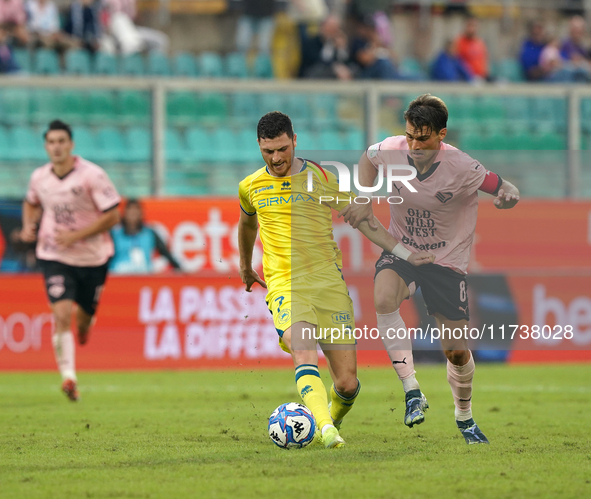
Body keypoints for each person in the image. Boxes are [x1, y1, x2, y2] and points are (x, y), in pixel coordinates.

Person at [238, 111, 433, 448]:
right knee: (303, 348)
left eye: (282, 148)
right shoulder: (250, 186)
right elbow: (247, 225)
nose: (276, 157)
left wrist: (406, 254)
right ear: (259, 146)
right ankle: (326, 430)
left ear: (294, 140)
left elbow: (363, 220)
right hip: (286, 284)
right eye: (268, 151)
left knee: (347, 384)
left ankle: (329, 416)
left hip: (328, 284)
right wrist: (245, 265)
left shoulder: (319, 178)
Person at [339, 94, 520, 444]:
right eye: (410, 135)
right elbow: (367, 158)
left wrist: (507, 196)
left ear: (441, 135)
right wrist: (363, 195)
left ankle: (464, 417)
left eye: (423, 138)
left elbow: (502, 186)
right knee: (383, 297)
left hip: (445, 262)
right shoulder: (393, 148)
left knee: (455, 351)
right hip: (404, 251)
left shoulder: (463, 167)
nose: (414, 145)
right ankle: (412, 391)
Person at [20, 120, 121, 402]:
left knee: (83, 322)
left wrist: (76, 235)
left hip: (93, 258)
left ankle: (86, 325)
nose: (57, 147)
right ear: (46, 146)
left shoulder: (92, 175)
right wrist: (29, 225)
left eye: (62, 141)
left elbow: (113, 215)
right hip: (55, 255)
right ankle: (69, 377)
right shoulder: (39, 177)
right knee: (61, 314)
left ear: (71, 144)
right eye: (51, 142)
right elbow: (30, 202)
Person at [109, 199, 181, 274]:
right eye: (130, 210)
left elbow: (166, 253)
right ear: (124, 213)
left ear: (141, 213)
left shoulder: (150, 233)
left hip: (143, 277)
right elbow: (106, 258)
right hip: (118, 277)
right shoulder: (115, 234)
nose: (133, 213)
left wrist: (180, 269)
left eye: (136, 210)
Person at [454, 16, 489, 80]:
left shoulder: (480, 43)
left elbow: (484, 62)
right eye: (469, 26)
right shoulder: (459, 42)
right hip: (467, 78)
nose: (471, 29)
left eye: (474, 26)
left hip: (482, 77)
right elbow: (455, 63)